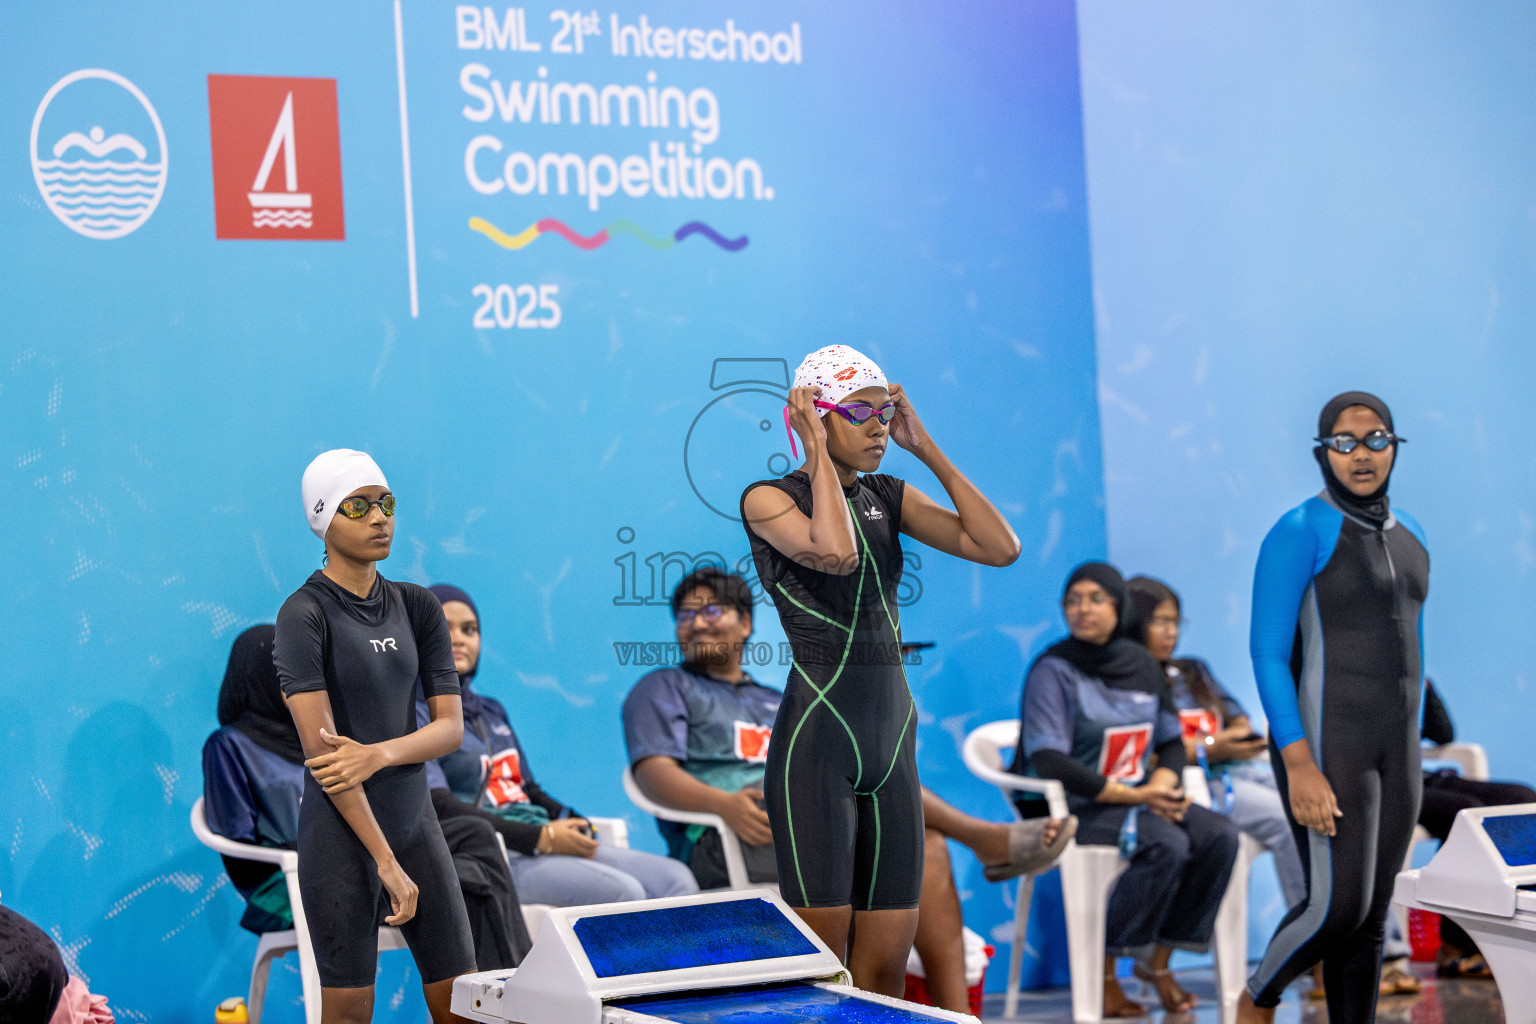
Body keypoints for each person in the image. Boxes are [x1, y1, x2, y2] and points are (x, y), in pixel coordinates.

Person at [741, 344, 1065, 997]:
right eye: (858, 413)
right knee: (822, 971)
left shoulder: (891, 494)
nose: (879, 426)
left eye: (885, 412)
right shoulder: (768, 499)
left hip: (892, 750)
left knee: (884, 968)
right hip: (818, 751)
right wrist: (813, 454)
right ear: (814, 417)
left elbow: (1000, 548)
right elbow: (834, 552)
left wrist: (928, 448)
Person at [622, 567, 1072, 1015]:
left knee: (925, 844)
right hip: (736, 836)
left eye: (712, 610)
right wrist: (723, 806)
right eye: (685, 615)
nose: (697, 622)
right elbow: (653, 772)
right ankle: (988, 840)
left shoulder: (770, 697)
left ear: (745, 623)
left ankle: (957, 1015)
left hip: (809, 815)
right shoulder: (664, 687)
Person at [1239, 392, 1430, 1024]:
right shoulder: (1300, 530)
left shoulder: (1415, 537)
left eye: (1376, 439)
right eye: (1345, 443)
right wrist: (1298, 762)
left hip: (1398, 747)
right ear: (1324, 452)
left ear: (1394, 445)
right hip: (1325, 742)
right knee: (1335, 907)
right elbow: (1267, 653)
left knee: (1372, 915)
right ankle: (1257, 996)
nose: (1362, 454)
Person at [272, 449, 476, 1024]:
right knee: (348, 1015)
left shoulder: (417, 605)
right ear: (323, 519)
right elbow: (327, 758)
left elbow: (450, 729)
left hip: (416, 824)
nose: (378, 517)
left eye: (384, 503)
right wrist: (384, 861)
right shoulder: (303, 614)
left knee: (463, 1005)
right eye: (357, 506)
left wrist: (379, 753)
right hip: (340, 837)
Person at [203, 624, 531, 969]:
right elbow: (240, 857)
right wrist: (324, 853)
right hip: (290, 883)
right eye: (286, 673)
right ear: (257, 676)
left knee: (473, 839)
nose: (302, 683)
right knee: (466, 884)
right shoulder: (229, 746)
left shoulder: (325, 739)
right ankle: (510, 998)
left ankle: (512, 995)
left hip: (359, 860)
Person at [1014, 562, 1239, 1016]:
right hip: (1072, 805)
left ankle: (1157, 964)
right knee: (1167, 844)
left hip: (1140, 797)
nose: (1082, 609)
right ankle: (1103, 972)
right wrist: (1138, 798)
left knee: (1219, 836)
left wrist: (1159, 785)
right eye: (1073, 600)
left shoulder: (1141, 665)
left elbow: (1172, 740)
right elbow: (1049, 759)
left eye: (1096, 599)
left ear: (1120, 607)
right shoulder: (1054, 669)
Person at [419, 584, 699, 907]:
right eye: (444, 628)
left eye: (469, 630)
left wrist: (569, 818)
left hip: (540, 834)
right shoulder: (413, 712)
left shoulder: (491, 710)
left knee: (677, 880)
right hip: (493, 855)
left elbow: (528, 789)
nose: (458, 639)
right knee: (625, 893)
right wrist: (541, 838)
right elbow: (436, 805)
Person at [1418, 678, 1534, 979]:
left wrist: (1424, 687)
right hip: (1387, 785)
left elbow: (1443, 735)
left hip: (1425, 777)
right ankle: (1456, 943)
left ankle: (1515, 930)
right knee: (1469, 815)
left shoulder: (1403, 669)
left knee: (1522, 799)